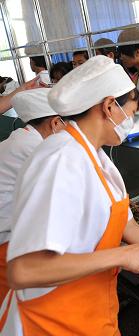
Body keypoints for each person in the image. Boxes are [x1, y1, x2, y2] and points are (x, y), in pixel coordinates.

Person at [0, 56, 139, 334]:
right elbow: (24, 270)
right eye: (132, 112)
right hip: (52, 322)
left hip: (93, 311)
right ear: (109, 105)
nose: (131, 122)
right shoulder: (60, 159)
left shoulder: (97, 157)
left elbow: (127, 226)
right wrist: (121, 257)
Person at [0, 88, 67, 307]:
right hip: (8, 242)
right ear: (55, 123)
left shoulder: (22, 137)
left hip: (12, 233)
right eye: (66, 123)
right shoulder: (37, 147)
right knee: (15, 307)